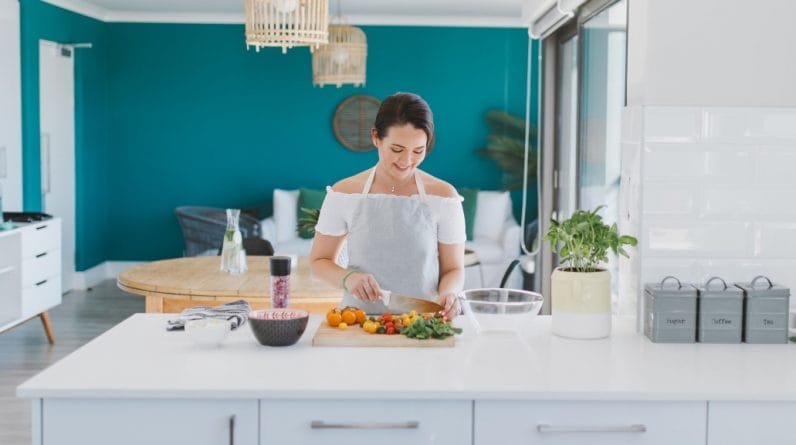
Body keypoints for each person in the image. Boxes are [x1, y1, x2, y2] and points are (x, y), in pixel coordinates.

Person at [309, 92, 465, 319]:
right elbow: (318, 262)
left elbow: (454, 269)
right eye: (397, 149)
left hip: (423, 323)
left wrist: (449, 294)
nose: (406, 161)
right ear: (376, 137)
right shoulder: (344, 193)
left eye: (418, 151)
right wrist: (348, 278)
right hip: (357, 322)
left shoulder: (443, 196)